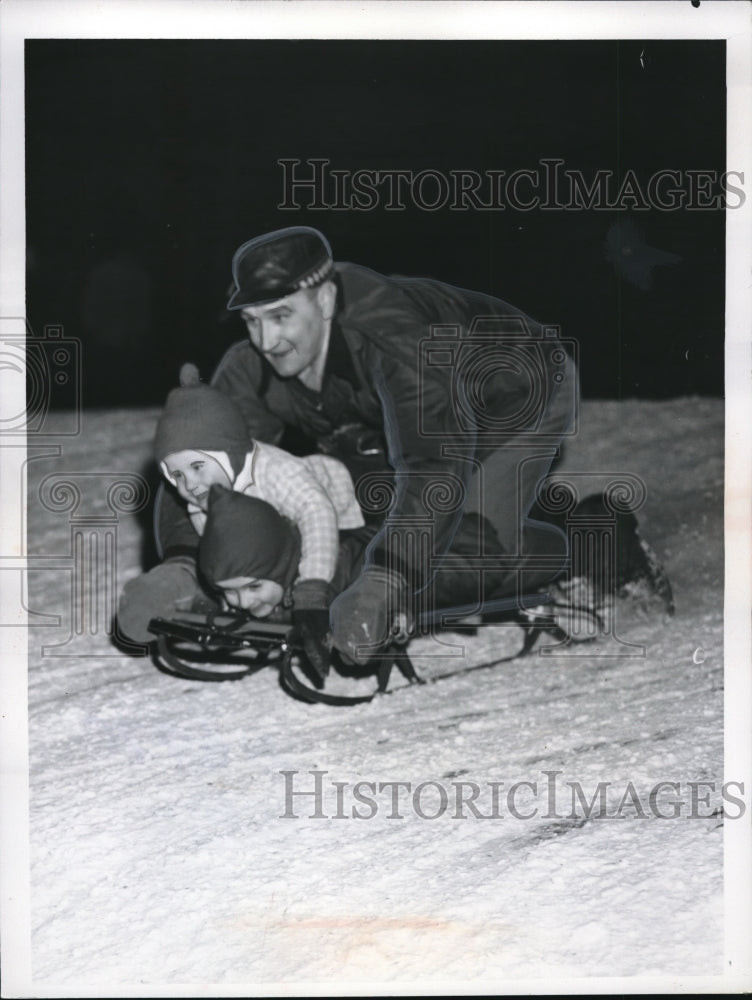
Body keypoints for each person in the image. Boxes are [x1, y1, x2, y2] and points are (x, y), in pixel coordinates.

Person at [155, 226, 579, 665]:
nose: (265, 341)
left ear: (323, 301)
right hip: (389, 416)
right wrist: (187, 567)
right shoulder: (252, 365)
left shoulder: (394, 340)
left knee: (467, 547)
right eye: (252, 320)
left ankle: (584, 539)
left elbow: (434, 467)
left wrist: (384, 586)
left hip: (517, 393)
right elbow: (207, 460)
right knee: (370, 520)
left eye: (280, 316)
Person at [118, 361, 366, 672]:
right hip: (280, 530)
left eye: (197, 467)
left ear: (230, 453)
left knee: (332, 559)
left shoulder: (278, 473)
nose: (189, 484)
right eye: (176, 475)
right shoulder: (201, 500)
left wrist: (311, 591)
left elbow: (316, 515)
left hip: (347, 508)